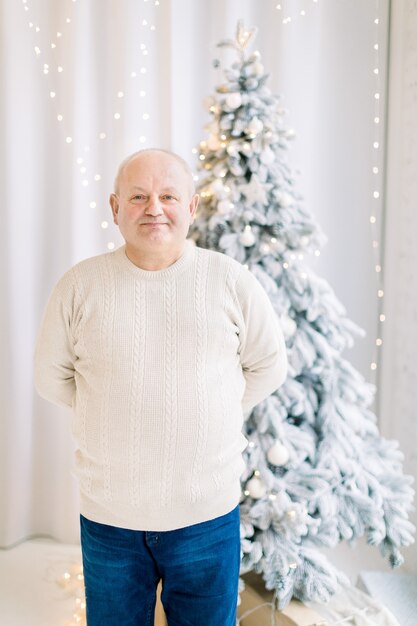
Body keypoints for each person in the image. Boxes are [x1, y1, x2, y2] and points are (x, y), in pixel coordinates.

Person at [34, 148, 288, 626]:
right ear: (114, 208)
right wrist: (109, 406)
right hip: (110, 519)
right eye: (138, 196)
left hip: (207, 518)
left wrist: (217, 407)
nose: (154, 207)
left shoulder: (230, 281)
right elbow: (51, 376)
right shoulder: (80, 286)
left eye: (168, 195)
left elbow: (268, 365)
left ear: (191, 208)